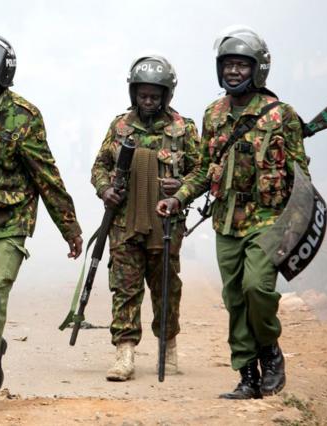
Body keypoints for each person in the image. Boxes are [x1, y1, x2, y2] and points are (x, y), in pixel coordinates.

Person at [157, 26, 309, 399]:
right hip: (226, 221)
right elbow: (203, 167)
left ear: (258, 69)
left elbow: (301, 176)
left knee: (256, 287)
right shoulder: (213, 114)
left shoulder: (281, 116)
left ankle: (270, 351)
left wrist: (296, 226)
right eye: (228, 65)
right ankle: (247, 374)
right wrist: (179, 199)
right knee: (234, 299)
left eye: (242, 65)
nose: (234, 72)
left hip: (269, 220)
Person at [0, 32, 83, 421]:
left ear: (2, 69)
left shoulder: (24, 115)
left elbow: (46, 175)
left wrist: (69, 228)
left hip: (9, 223)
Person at [91, 54, 200, 381]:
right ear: (133, 93)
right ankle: (124, 353)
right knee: (124, 287)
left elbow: (202, 171)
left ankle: (168, 346)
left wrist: (180, 186)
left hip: (165, 225)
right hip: (124, 223)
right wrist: (105, 189)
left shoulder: (184, 128)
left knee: (165, 285)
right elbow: (99, 167)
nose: (148, 101)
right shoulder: (120, 126)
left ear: (167, 95)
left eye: (155, 95)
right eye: (143, 95)